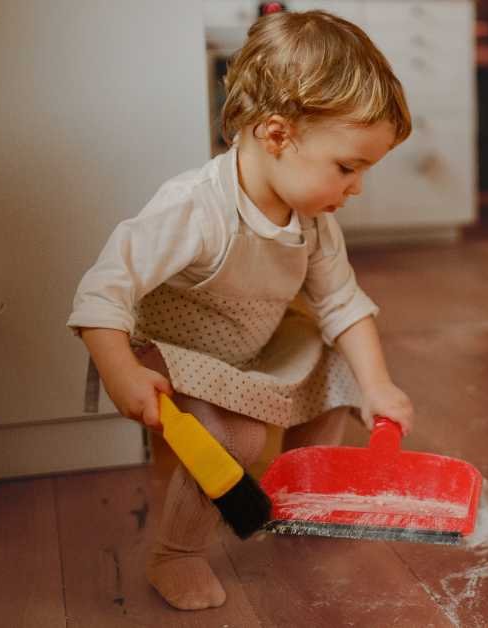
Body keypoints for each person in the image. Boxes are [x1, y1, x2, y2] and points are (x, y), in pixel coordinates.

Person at [67, 10, 415, 610]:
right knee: (238, 438)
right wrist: (121, 371)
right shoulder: (195, 208)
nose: (355, 187)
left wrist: (377, 385)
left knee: (337, 375)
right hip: (179, 352)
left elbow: (340, 302)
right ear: (277, 135)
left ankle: (300, 508)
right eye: (348, 166)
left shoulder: (313, 221)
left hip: (253, 344)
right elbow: (102, 291)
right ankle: (176, 553)